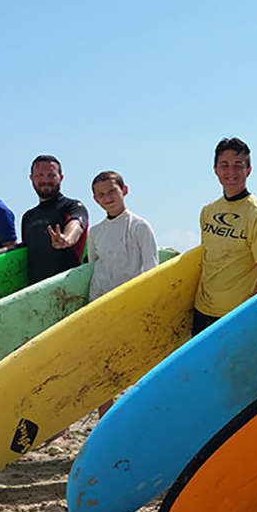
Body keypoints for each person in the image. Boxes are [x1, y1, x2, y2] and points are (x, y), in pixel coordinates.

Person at [87, 170, 160, 417]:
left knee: (135, 367)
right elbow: (93, 266)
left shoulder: (140, 226)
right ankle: (105, 421)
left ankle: (140, 416)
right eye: (101, 194)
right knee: (102, 369)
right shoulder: (95, 232)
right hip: (100, 306)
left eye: (112, 191)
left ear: (124, 190)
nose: (107, 197)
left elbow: (152, 270)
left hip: (131, 308)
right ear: (95, 199)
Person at [192, 138, 257, 337]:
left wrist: (248, 318)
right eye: (225, 165)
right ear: (215, 170)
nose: (231, 172)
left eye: (238, 165)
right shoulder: (208, 211)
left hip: (234, 316)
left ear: (248, 170)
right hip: (201, 309)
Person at [21, 155, 89, 285]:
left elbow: (76, 224)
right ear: (31, 178)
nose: (45, 180)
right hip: (35, 293)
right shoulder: (28, 217)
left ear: (61, 177)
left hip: (68, 288)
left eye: (51, 175)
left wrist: (67, 239)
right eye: (40, 175)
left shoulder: (73, 206)